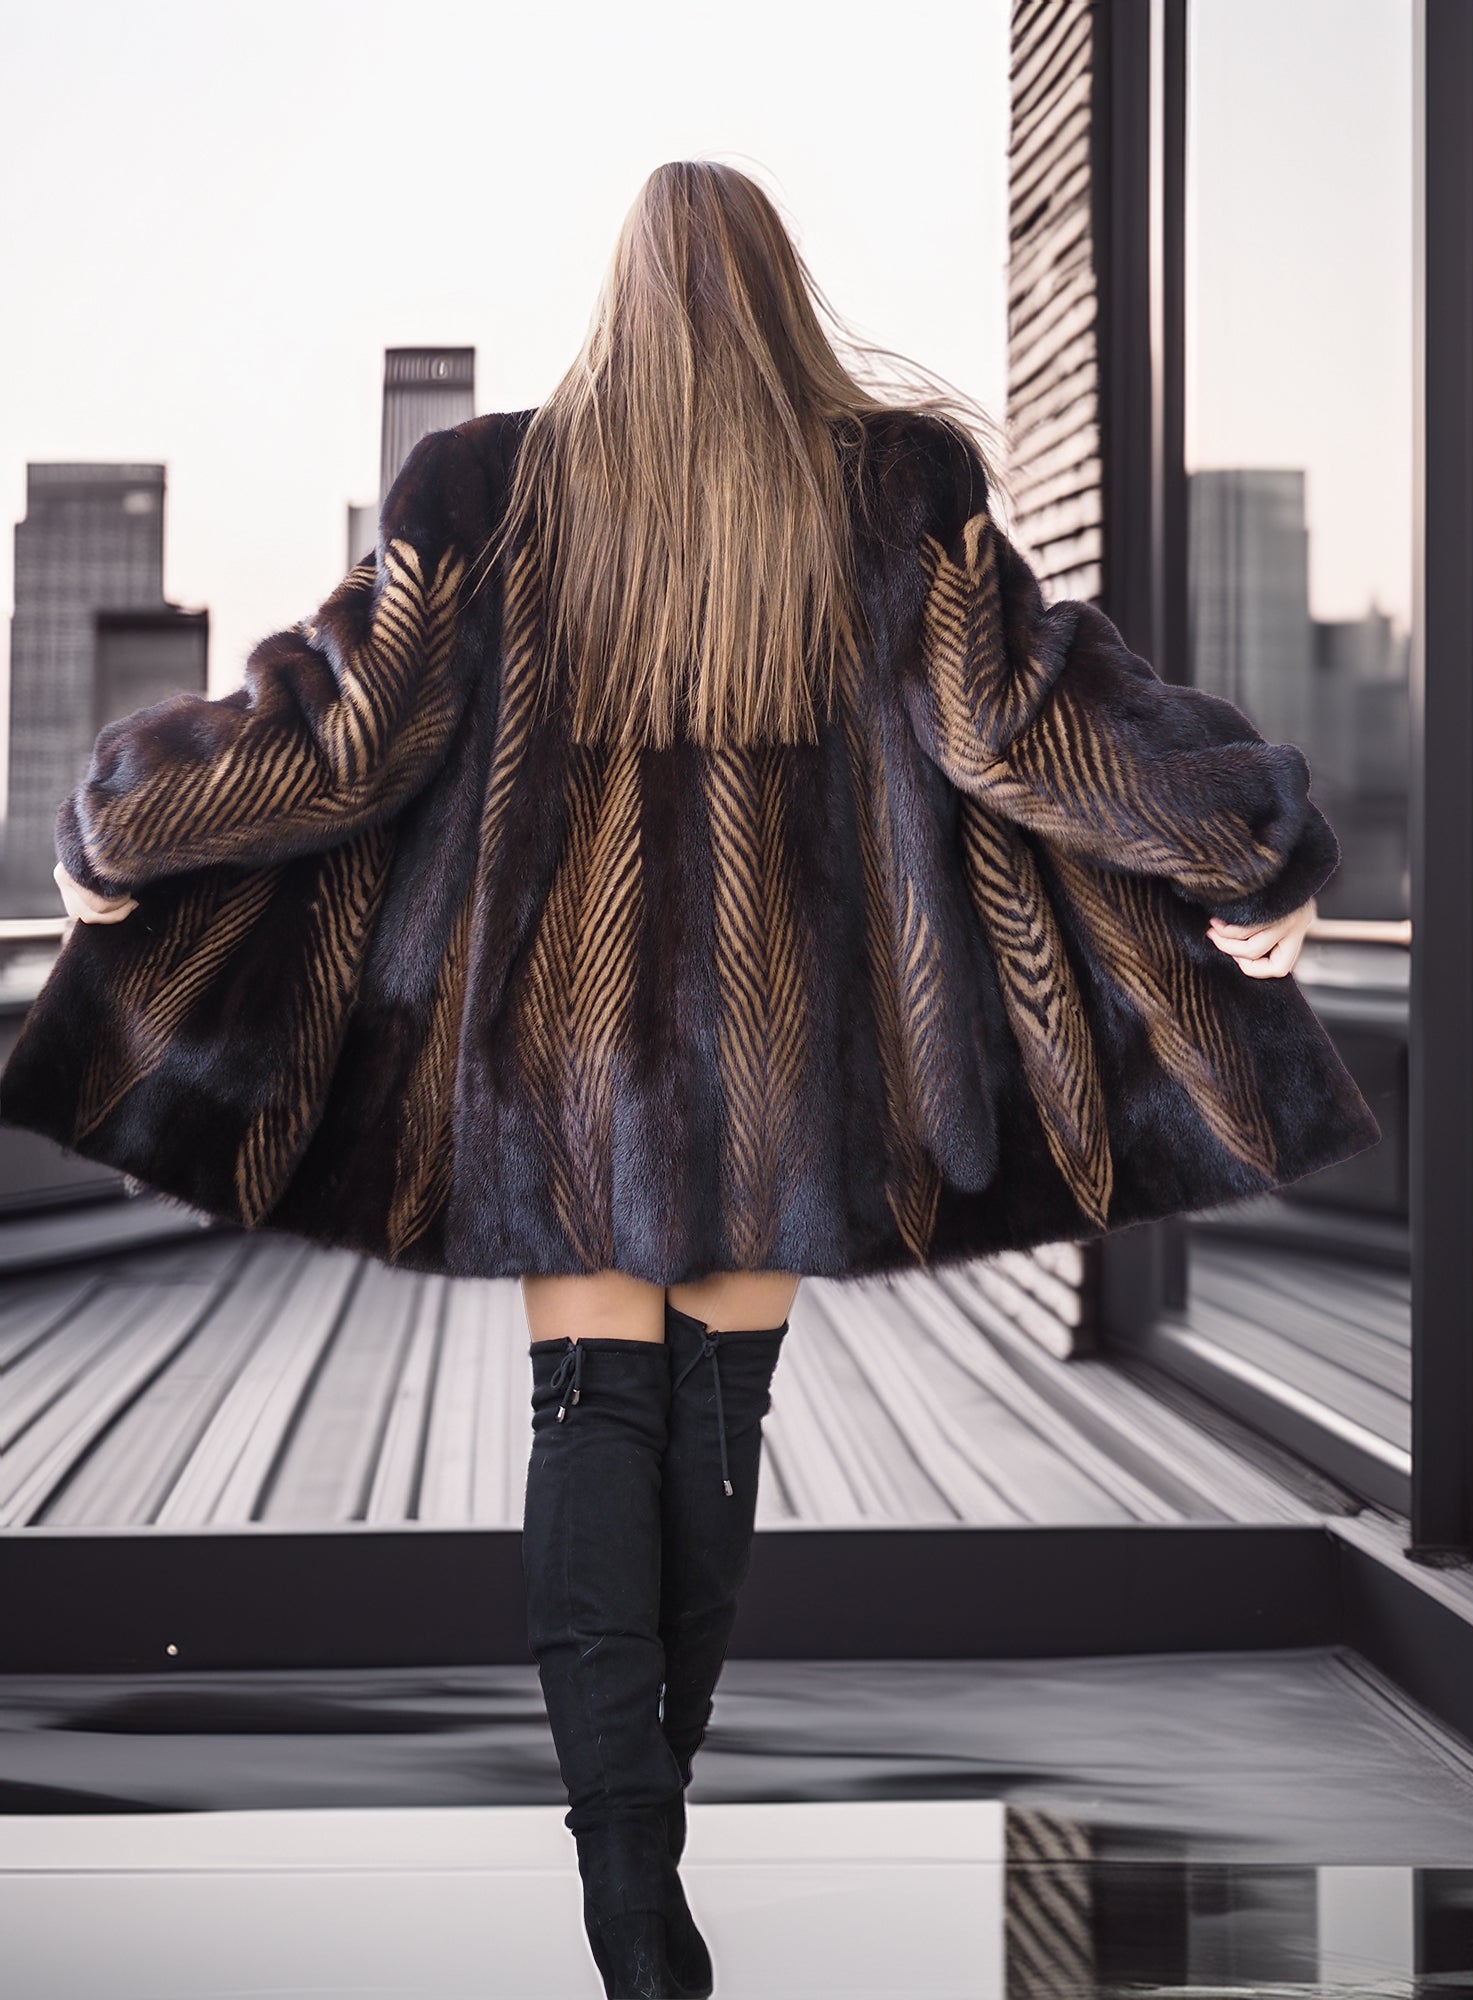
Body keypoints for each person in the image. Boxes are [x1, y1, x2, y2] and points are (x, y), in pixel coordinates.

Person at [32, 159, 1375, 2000]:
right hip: (790, 1047)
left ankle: (625, 1877)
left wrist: (123, 821)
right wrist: (1254, 841)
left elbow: (338, 739)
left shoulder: (483, 487)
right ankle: (656, 1840)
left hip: (556, 1051)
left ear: (620, 300)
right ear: (778, 296)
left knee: (592, 1418)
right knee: (714, 1427)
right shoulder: (896, 486)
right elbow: (1031, 718)